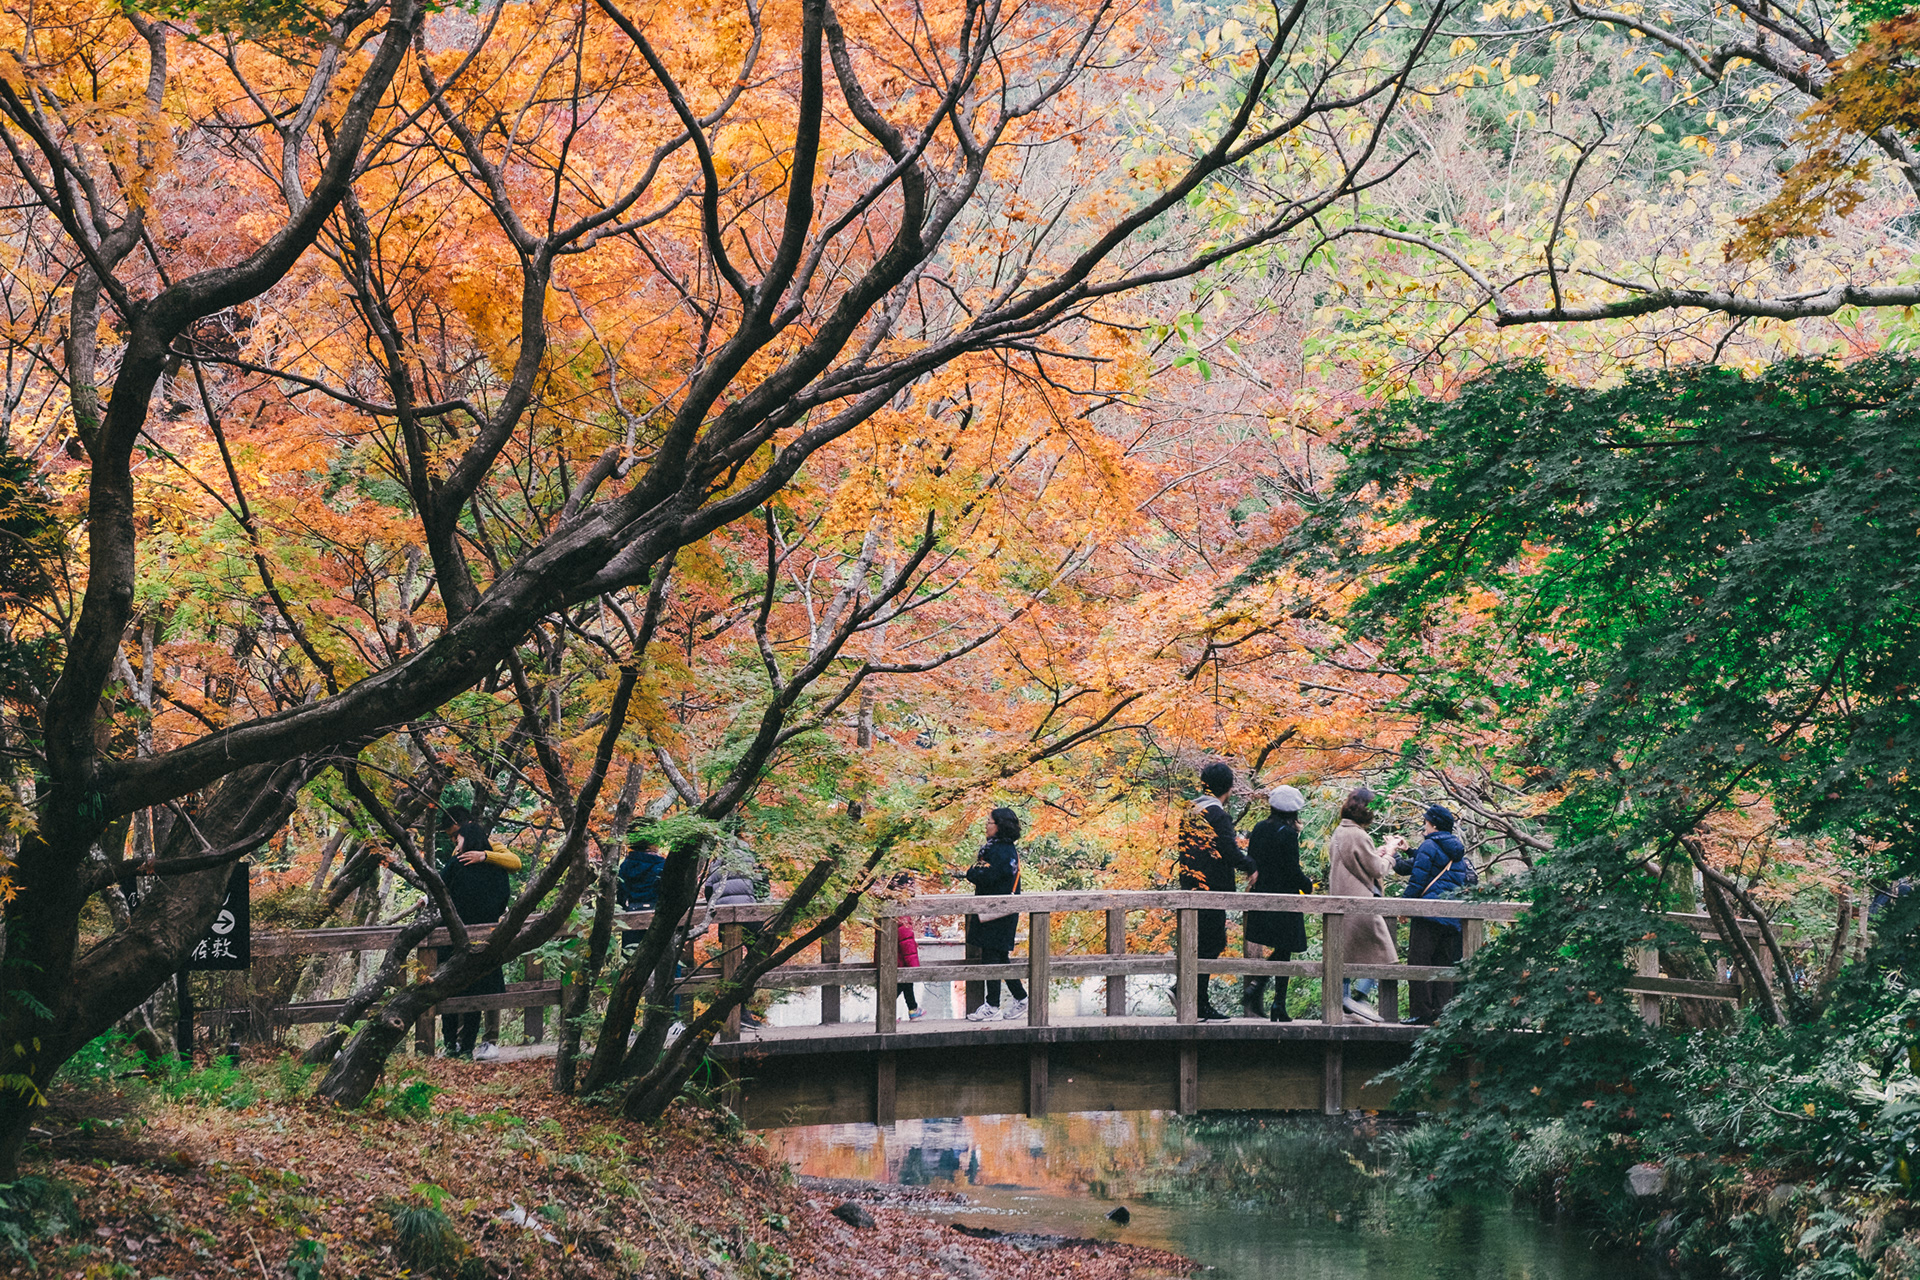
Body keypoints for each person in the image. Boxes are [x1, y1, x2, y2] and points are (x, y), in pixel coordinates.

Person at [437, 805, 521, 1060]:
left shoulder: (490, 849)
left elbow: (515, 862)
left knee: (466, 985)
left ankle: (475, 1043)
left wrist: (484, 856)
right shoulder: (458, 856)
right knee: (475, 987)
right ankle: (463, 1045)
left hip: (463, 934)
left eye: (457, 835)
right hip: (484, 933)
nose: (454, 841)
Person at [1177, 763, 1255, 1022]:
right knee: (1211, 943)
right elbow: (1229, 851)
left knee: (1198, 945)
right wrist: (1250, 866)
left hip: (1191, 887)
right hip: (1212, 890)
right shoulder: (1217, 814)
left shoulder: (1190, 810)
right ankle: (1196, 1001)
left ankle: (1188, 994)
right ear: (1229, 788)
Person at [1398, 805, 1476, 1025]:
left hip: (1428, 915)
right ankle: (1442, 1012)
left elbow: (1418, 880)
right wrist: (1410, 852)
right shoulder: (1455, 849)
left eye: (1426, 821)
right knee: (1444, 963)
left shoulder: (1429, 844)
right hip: (1452, 916)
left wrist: (1403, 907)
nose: (1424, 825)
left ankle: (1421, 1012)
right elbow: (1435, 866)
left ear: (1433, 824)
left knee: (1419, 961)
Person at [1326, 788, 1395, 1023]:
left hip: (1342, 900)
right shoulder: (1358, 835)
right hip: (1361, 903)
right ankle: (1358, 997)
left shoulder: (1340, 831)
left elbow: (1356, 863)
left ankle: (1348, 1000)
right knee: (1384, 953)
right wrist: (1390, 854)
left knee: (1346, 953)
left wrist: (1377, 853)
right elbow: (1378, 869)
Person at [1244, 785, 1312, 1021]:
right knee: (1286, 949)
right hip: (1285, 900)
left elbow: (1251, 860)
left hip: (1263, 897)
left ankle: (1266, 993)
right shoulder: (1288, 834)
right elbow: (1292, 870)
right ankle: (1276, 1003)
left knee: (1283, 949)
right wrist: (1308, 884)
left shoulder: (1260, 828)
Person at [962, 808, 1027, 1022]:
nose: (986, 826)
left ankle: (992, 1005)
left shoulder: (996, 851)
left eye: (989, 822)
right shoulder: (1007, 850)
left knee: (992, 955)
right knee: (999, 956)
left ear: (999, 826)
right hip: (1004, 911)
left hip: (994, 912)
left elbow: (979, 874)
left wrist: (973, 871)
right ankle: (1020, 998)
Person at [705, 855, 765, 1027]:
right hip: (750, 914)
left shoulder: (716, 861)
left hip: (725, 917)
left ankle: (735, 1012)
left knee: (730, 964)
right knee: (757, 958)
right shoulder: (751, 857)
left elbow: (708, 891)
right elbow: (762, 887)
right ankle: (741, 1011)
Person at [616, 839, 666, 949]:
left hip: (632, 912)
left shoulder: (626, 865)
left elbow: (621, 892)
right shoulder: (662, 865)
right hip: (657, 912)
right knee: (660, 952)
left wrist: (623, 908)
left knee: (631, 952)